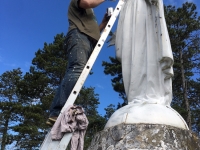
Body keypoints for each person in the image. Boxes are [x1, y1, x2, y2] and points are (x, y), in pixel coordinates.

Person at [46, 0, 109, 126]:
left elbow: (92, 30)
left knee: (78, 71)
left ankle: (57, 111)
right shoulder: (79, 1)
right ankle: (57, 111)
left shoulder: (87, 14)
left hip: (85, 38)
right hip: (78, 36)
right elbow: (87, 2)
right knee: (77, 69)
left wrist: (103, 23)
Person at [115, 0, 174, 106]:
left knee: (150, 46)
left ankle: (153, 93)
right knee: (131, 48)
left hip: (146, 7)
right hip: (129, 9)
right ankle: (136, 95)